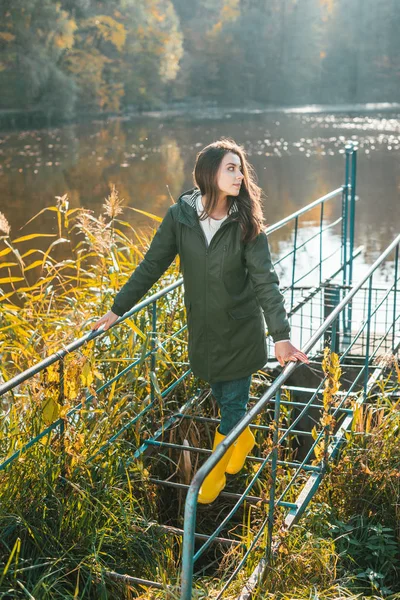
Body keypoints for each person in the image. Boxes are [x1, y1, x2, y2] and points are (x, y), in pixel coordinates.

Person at [91, 138, 309, 504]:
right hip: (204, 330)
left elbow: (265, 281)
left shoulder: (246, 223)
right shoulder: (180, 218)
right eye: (231, 168)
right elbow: (151, 266)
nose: (239, 175)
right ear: (209, 173)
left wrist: (281, 336)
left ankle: (215, 468)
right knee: (222, 392)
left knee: (234, 404)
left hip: (239, 330)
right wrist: (117, 309)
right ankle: (242, 438)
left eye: (240, 168)